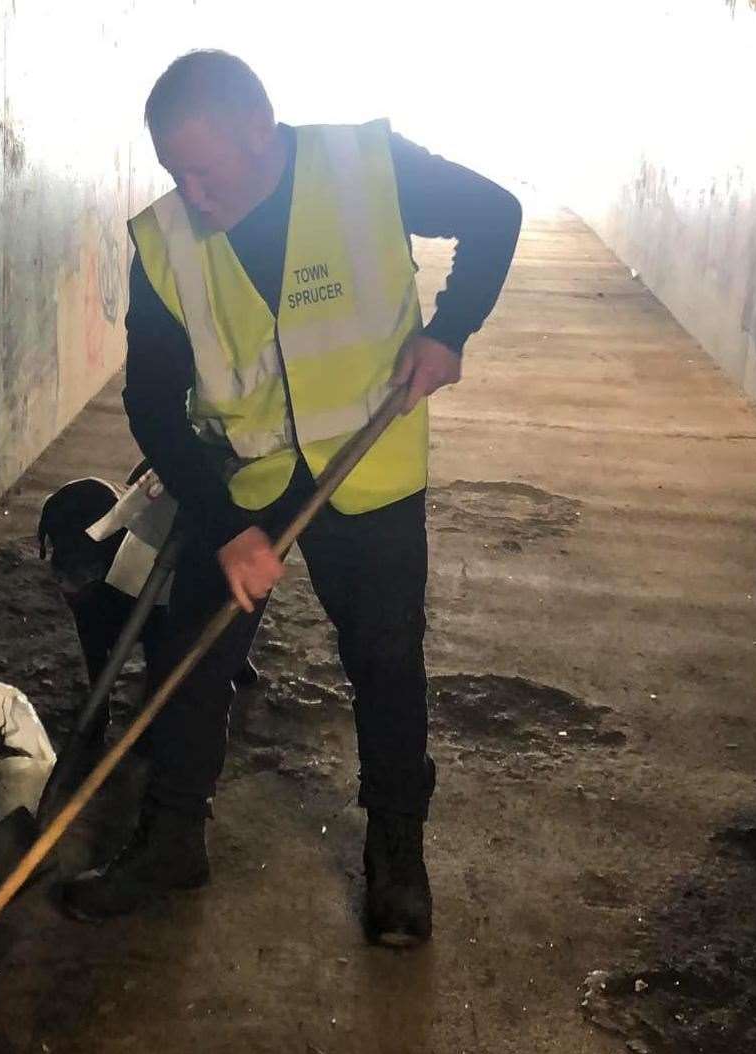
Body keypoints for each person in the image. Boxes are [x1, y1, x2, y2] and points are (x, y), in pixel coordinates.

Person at [62, 50, 521, 946]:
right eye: (173, 172)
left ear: (260, 132)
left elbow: (494, 213)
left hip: (367, 463)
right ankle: (170, 840)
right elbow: (150, 399)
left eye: (205, 169)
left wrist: (449, 329)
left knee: (385, 660)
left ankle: (396, 856)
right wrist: (228, 527)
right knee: (193, 648)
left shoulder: (363, 169)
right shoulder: (162, 243)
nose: (190, 194)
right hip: (245, 477)